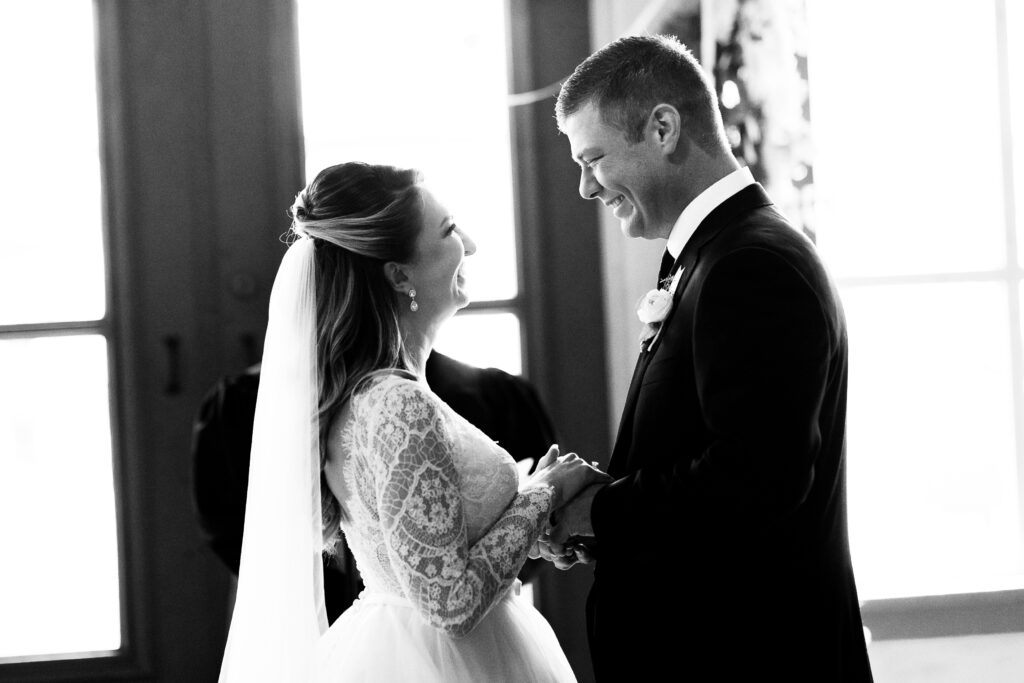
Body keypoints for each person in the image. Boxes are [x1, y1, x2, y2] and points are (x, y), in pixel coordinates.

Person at [539, 35, 874, 681]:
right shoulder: (712, 258)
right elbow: (705, 458)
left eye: (594, 158)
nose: (585, 187)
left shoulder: (752, 266)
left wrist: (601, 509)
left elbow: (758, 477)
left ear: (663, 127)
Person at [218, 162, 606, 682]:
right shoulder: (399, 406)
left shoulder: (383, 395)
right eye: (449, 231)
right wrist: (545, 494)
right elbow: (450, 602)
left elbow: (428, 547)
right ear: (400, 275)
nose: (469, 243)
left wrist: (536, 527)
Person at [192, 351, 556, 622]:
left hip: (465, 618)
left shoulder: (497, 395)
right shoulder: (244, 405)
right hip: (310, 616)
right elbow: (232, 529)